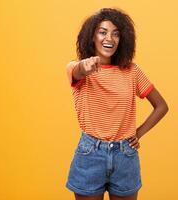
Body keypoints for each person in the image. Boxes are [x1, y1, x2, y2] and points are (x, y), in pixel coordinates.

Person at [64, 8, 169, 200]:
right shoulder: (77, 69)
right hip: (90, 154)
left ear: (122, 40)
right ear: (92, 36)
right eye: (102, 32)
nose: (109, 39)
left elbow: (161, 106)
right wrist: (84, 66)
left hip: (125, 156)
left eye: (116, 34)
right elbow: (76, 70)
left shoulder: (132, 72)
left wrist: (138, 133)